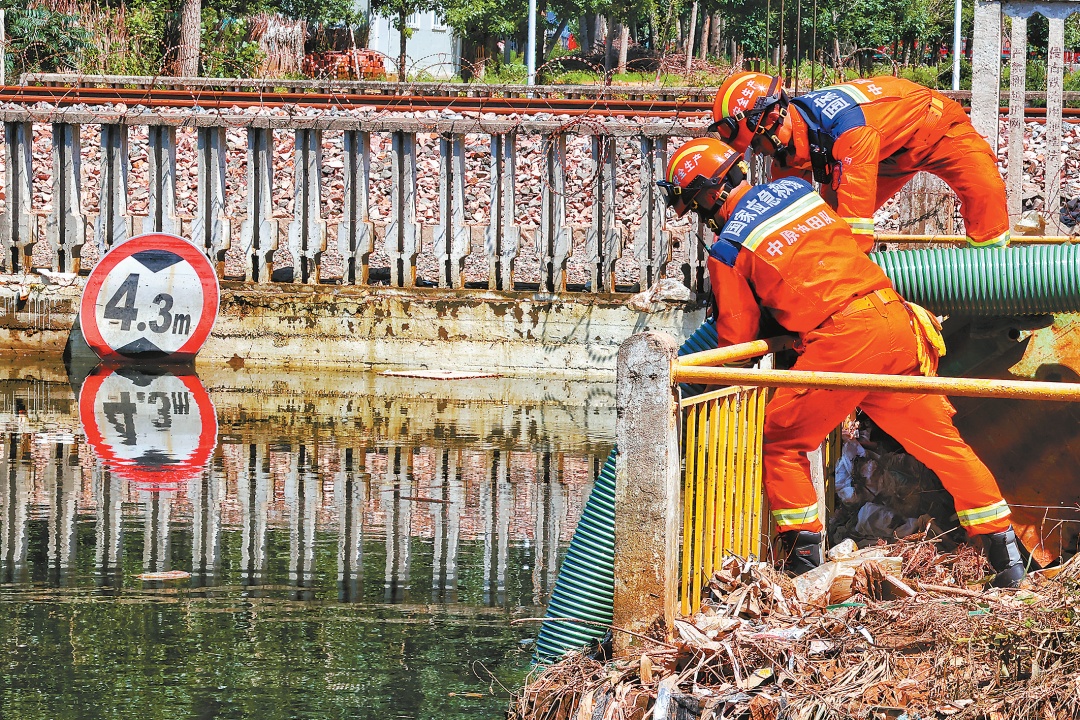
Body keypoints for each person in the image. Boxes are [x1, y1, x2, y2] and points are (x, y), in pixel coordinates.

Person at [657, 136, 1026, 587]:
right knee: (944, 446)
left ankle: (803, 564)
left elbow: (736, 337)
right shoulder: (796, 190)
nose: (702, 217)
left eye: (696, 206)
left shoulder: (728, 248)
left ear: (710, 194)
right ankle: (1008, 561)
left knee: (781, 441)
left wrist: (726, 373)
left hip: (845, 339)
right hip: (896, 321)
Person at [708, 72, 1010, 252]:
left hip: (936, 129)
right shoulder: (787, 152)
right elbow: (786, 219)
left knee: (986, 191)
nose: (760, 153)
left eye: (756, 143)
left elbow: (857, 232)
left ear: (773, 118)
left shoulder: (849, 131)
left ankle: (995, 282)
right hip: (886, 156)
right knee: (828, 228)